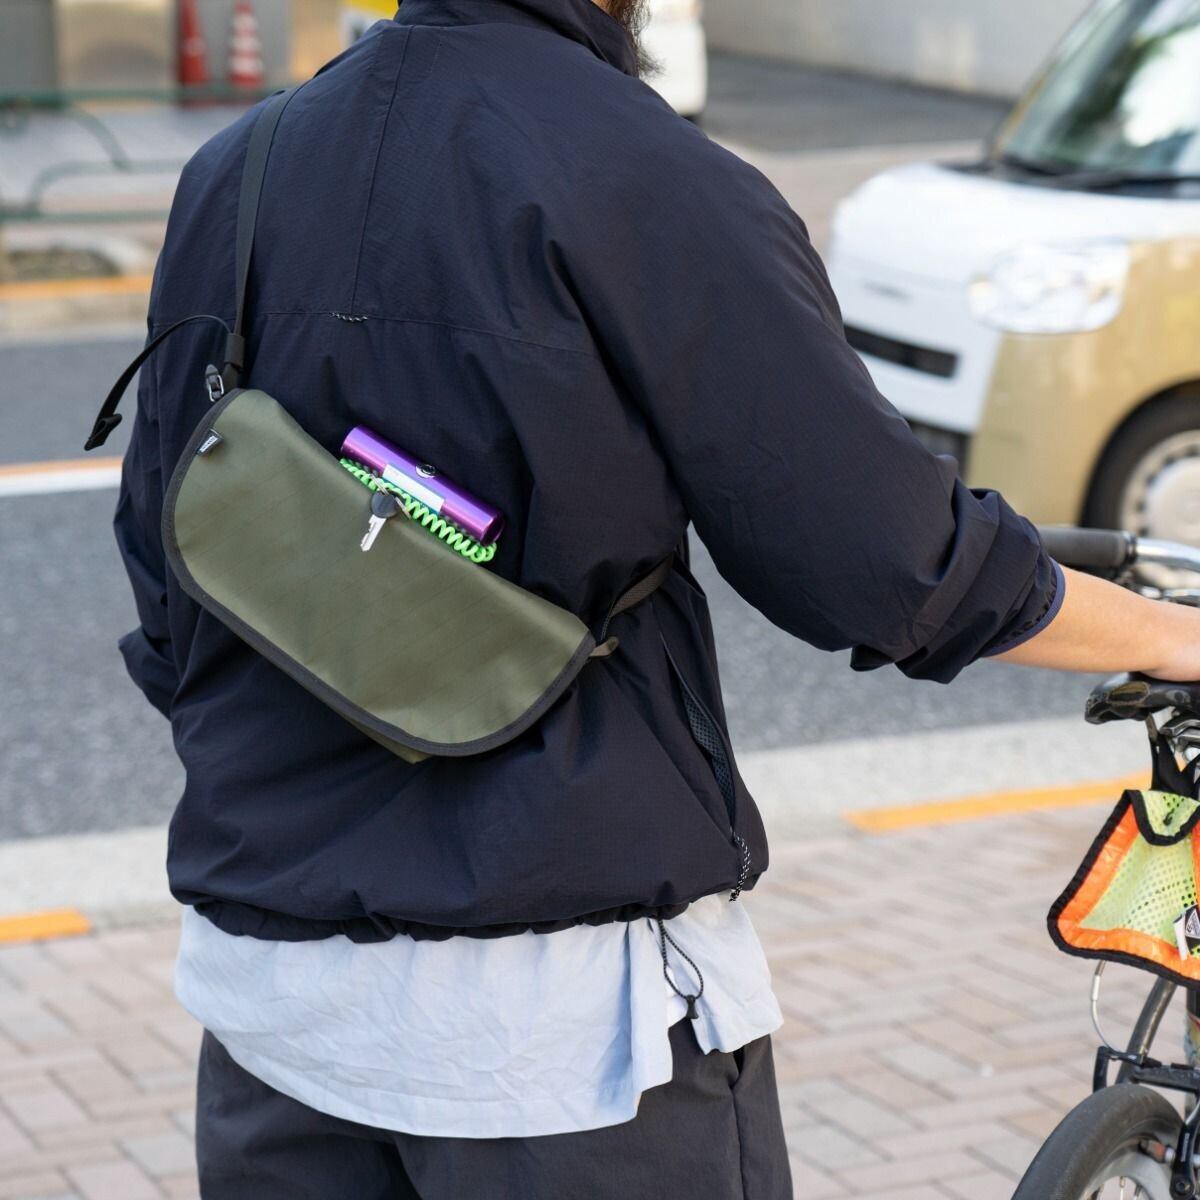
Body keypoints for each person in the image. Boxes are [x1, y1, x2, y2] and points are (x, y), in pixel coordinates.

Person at [110, 0, 1200, 1195]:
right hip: (563, 1035)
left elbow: (167, 561)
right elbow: (888, 562)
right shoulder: (646, 177)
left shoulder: (241, 170)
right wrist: (1165, 632)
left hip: (267, 1006)